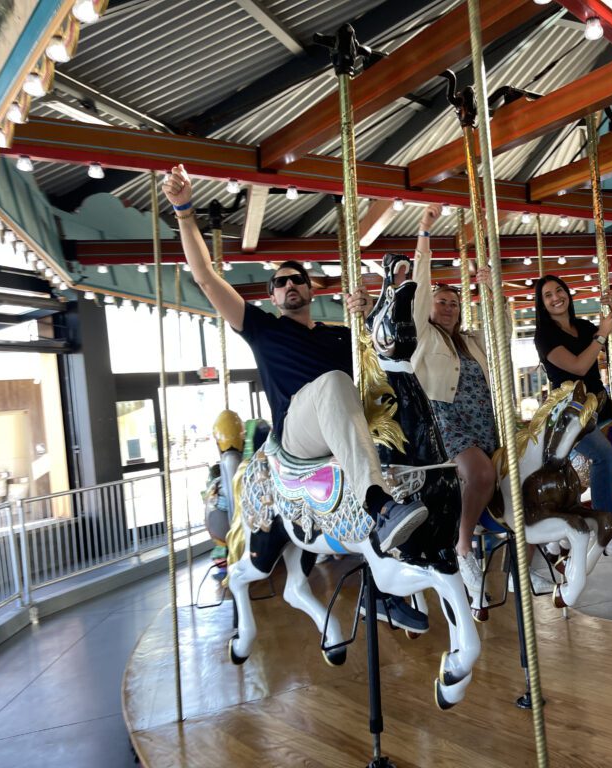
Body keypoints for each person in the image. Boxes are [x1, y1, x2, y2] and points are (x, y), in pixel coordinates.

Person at [162, 164, 428, 631]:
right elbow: (205, 276)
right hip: (299, 434)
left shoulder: (338, 334)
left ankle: (390, 581)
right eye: (281, 282)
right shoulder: (262, 329)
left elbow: (381, 367)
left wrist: (365, 322)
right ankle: (378, 504)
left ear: (310, 289)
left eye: (297, 280)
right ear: (271, 295)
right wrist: (185, 211)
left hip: (344, 426)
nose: (289, 286)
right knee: (331, 383)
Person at [410, 210, 555, 595]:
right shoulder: (424, 338)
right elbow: (418, 287)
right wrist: (425, 233)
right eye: (441, 302)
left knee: (525, 480)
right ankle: (462, 547)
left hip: (488, 421)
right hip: (447, 422)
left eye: (454, 303)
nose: (447, 307)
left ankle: (529, 557)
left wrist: (491, 288)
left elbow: (502, 329)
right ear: (428, 308)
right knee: (482, 475)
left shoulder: (472, 340)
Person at [533, 274, 612, 554]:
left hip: (599, 404)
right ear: (542, 304)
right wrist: (600, 334)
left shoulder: (583, 326)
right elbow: (576, 366)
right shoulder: (545, 335)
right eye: (548, 295)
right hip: (570, 411)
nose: (555, 298)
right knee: (603, 455)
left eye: (559, 291)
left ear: (568, 294)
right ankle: (605, 525)